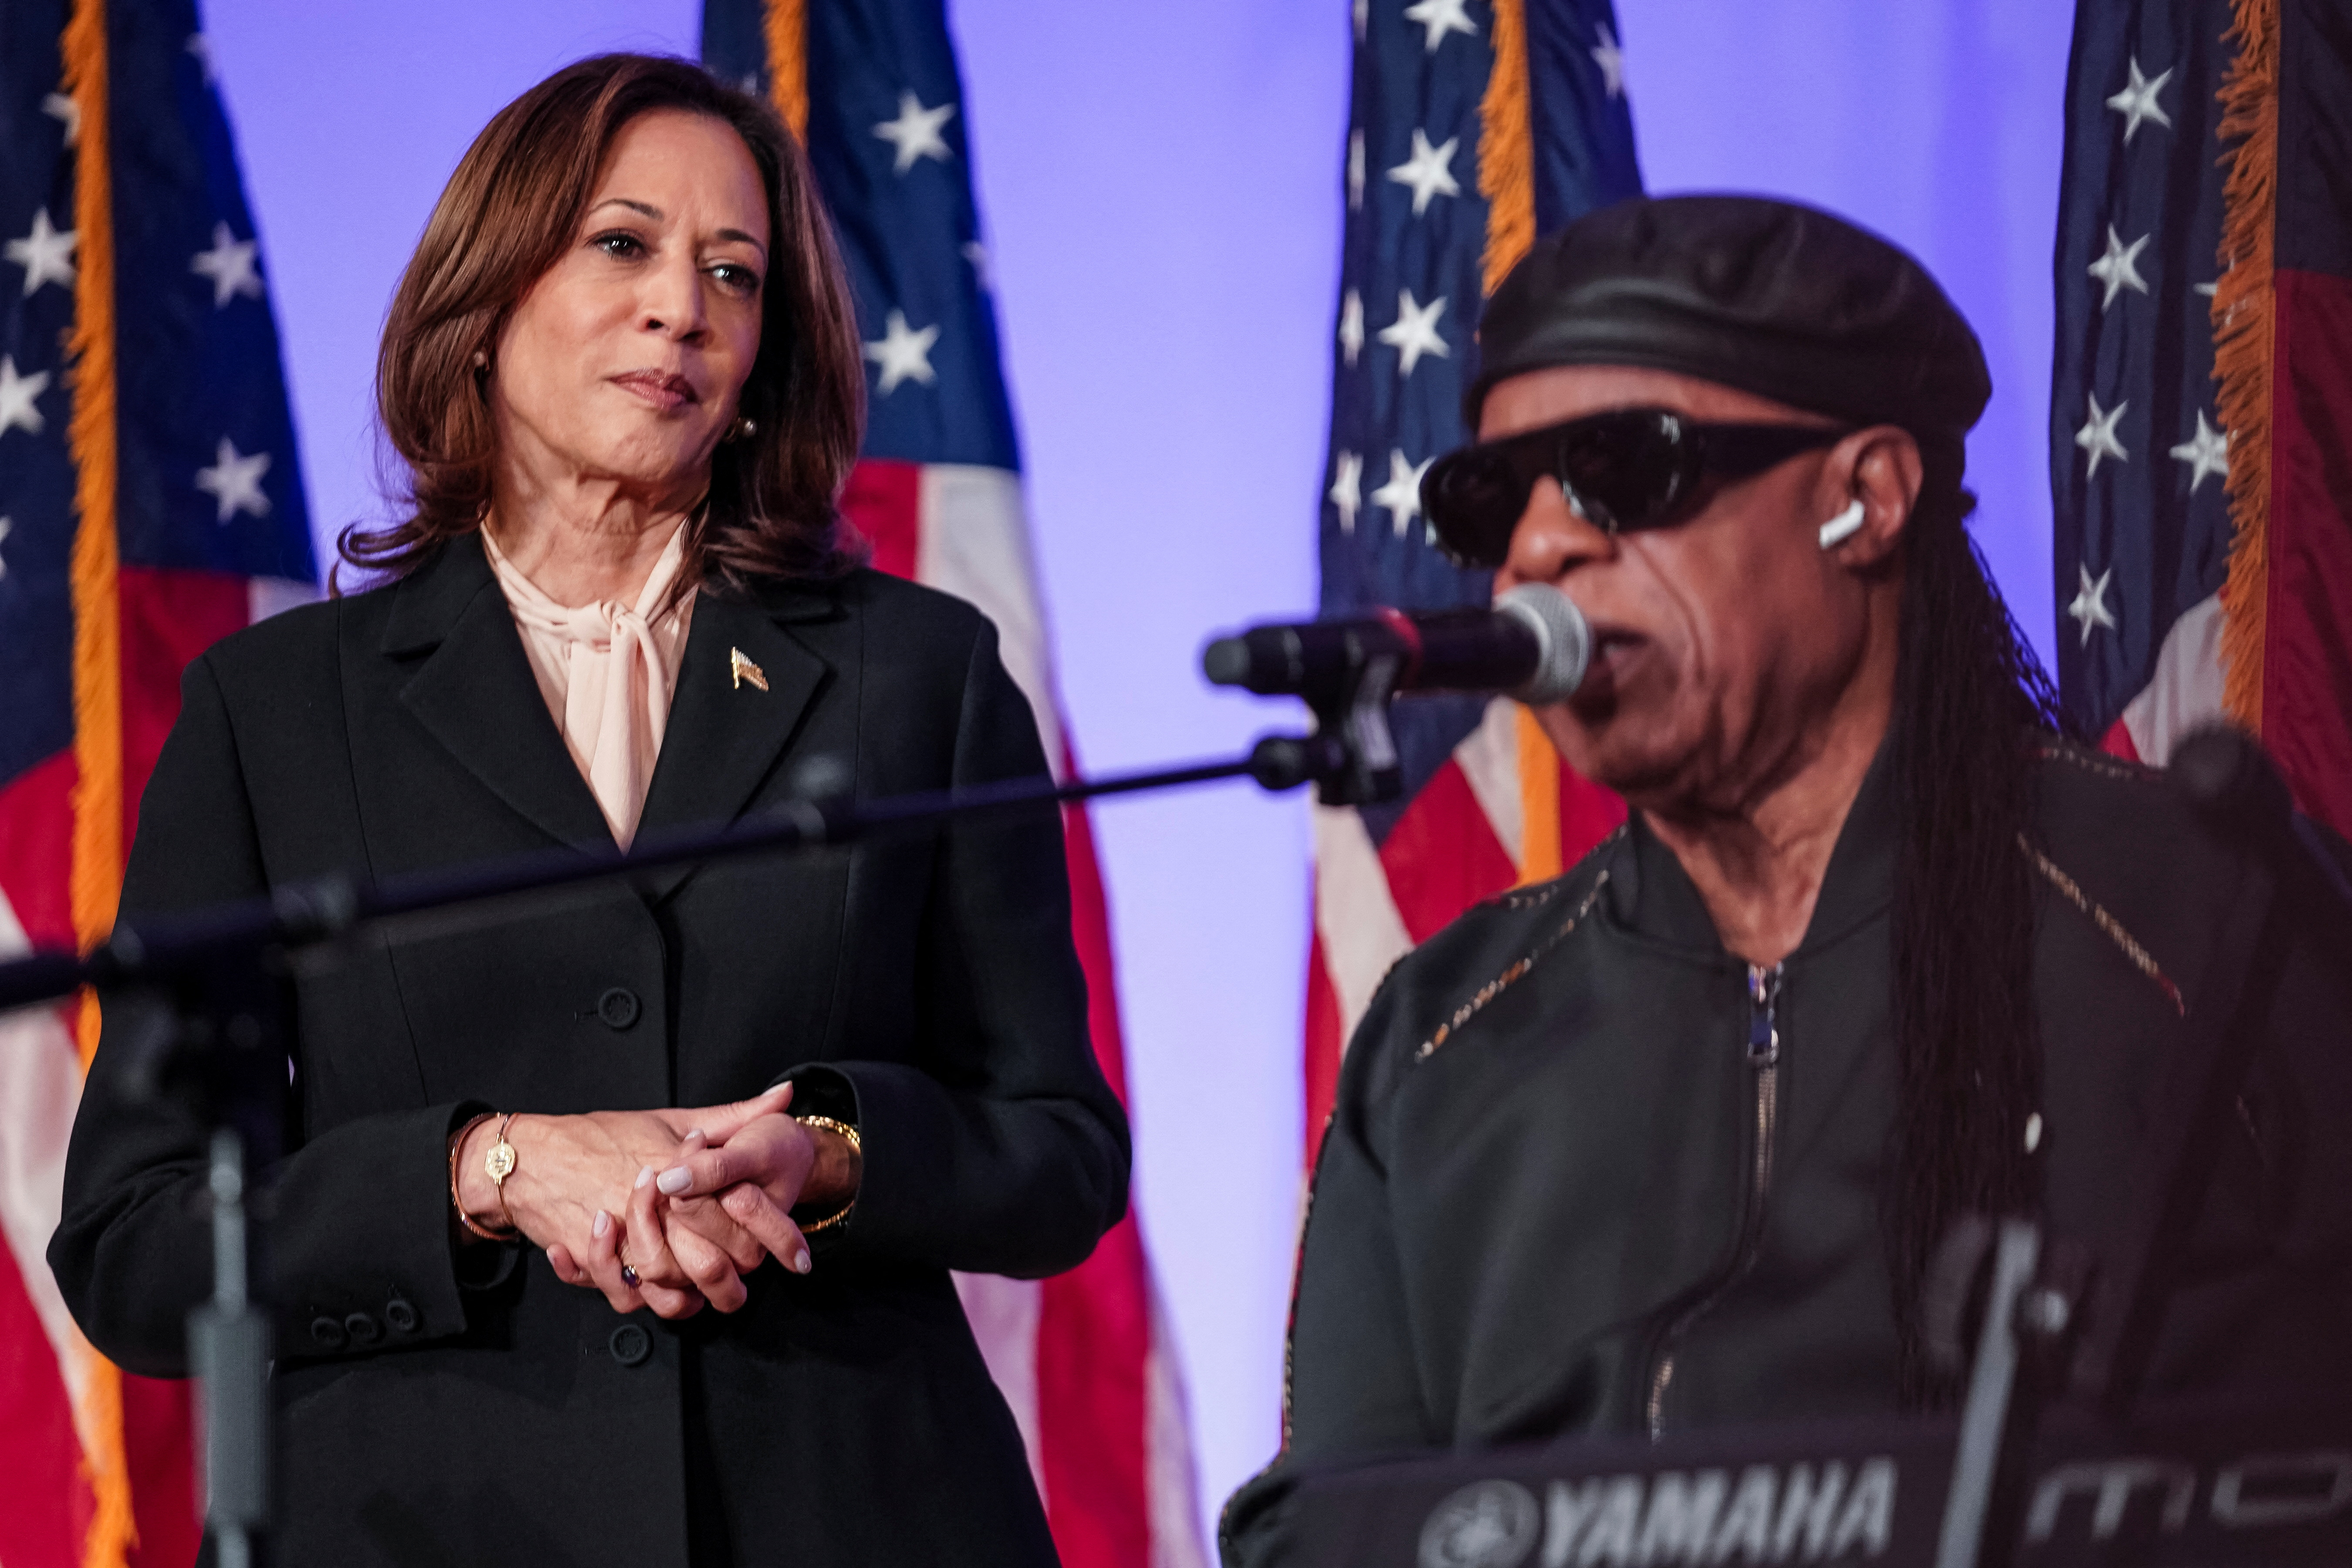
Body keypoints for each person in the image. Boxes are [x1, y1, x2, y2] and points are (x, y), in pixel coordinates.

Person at [49, 54, 1127, 1567]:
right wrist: (486, 1169)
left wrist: (828, 1148)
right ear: (486, 299)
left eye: (733, 274)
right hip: (432, 1525)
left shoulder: (916, 678)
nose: (682, 307)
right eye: (622, 244)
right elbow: (135, 1244)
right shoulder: (275, 715)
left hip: (857, 1512)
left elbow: (1060, 1150)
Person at [1221, 194, 2352, 1564]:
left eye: (1616, 471)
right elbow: (1336, 1526)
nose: (1535, 551)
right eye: (1493, 498)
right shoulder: (1441, 1030)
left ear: (1863, 498)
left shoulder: (2202, 920)